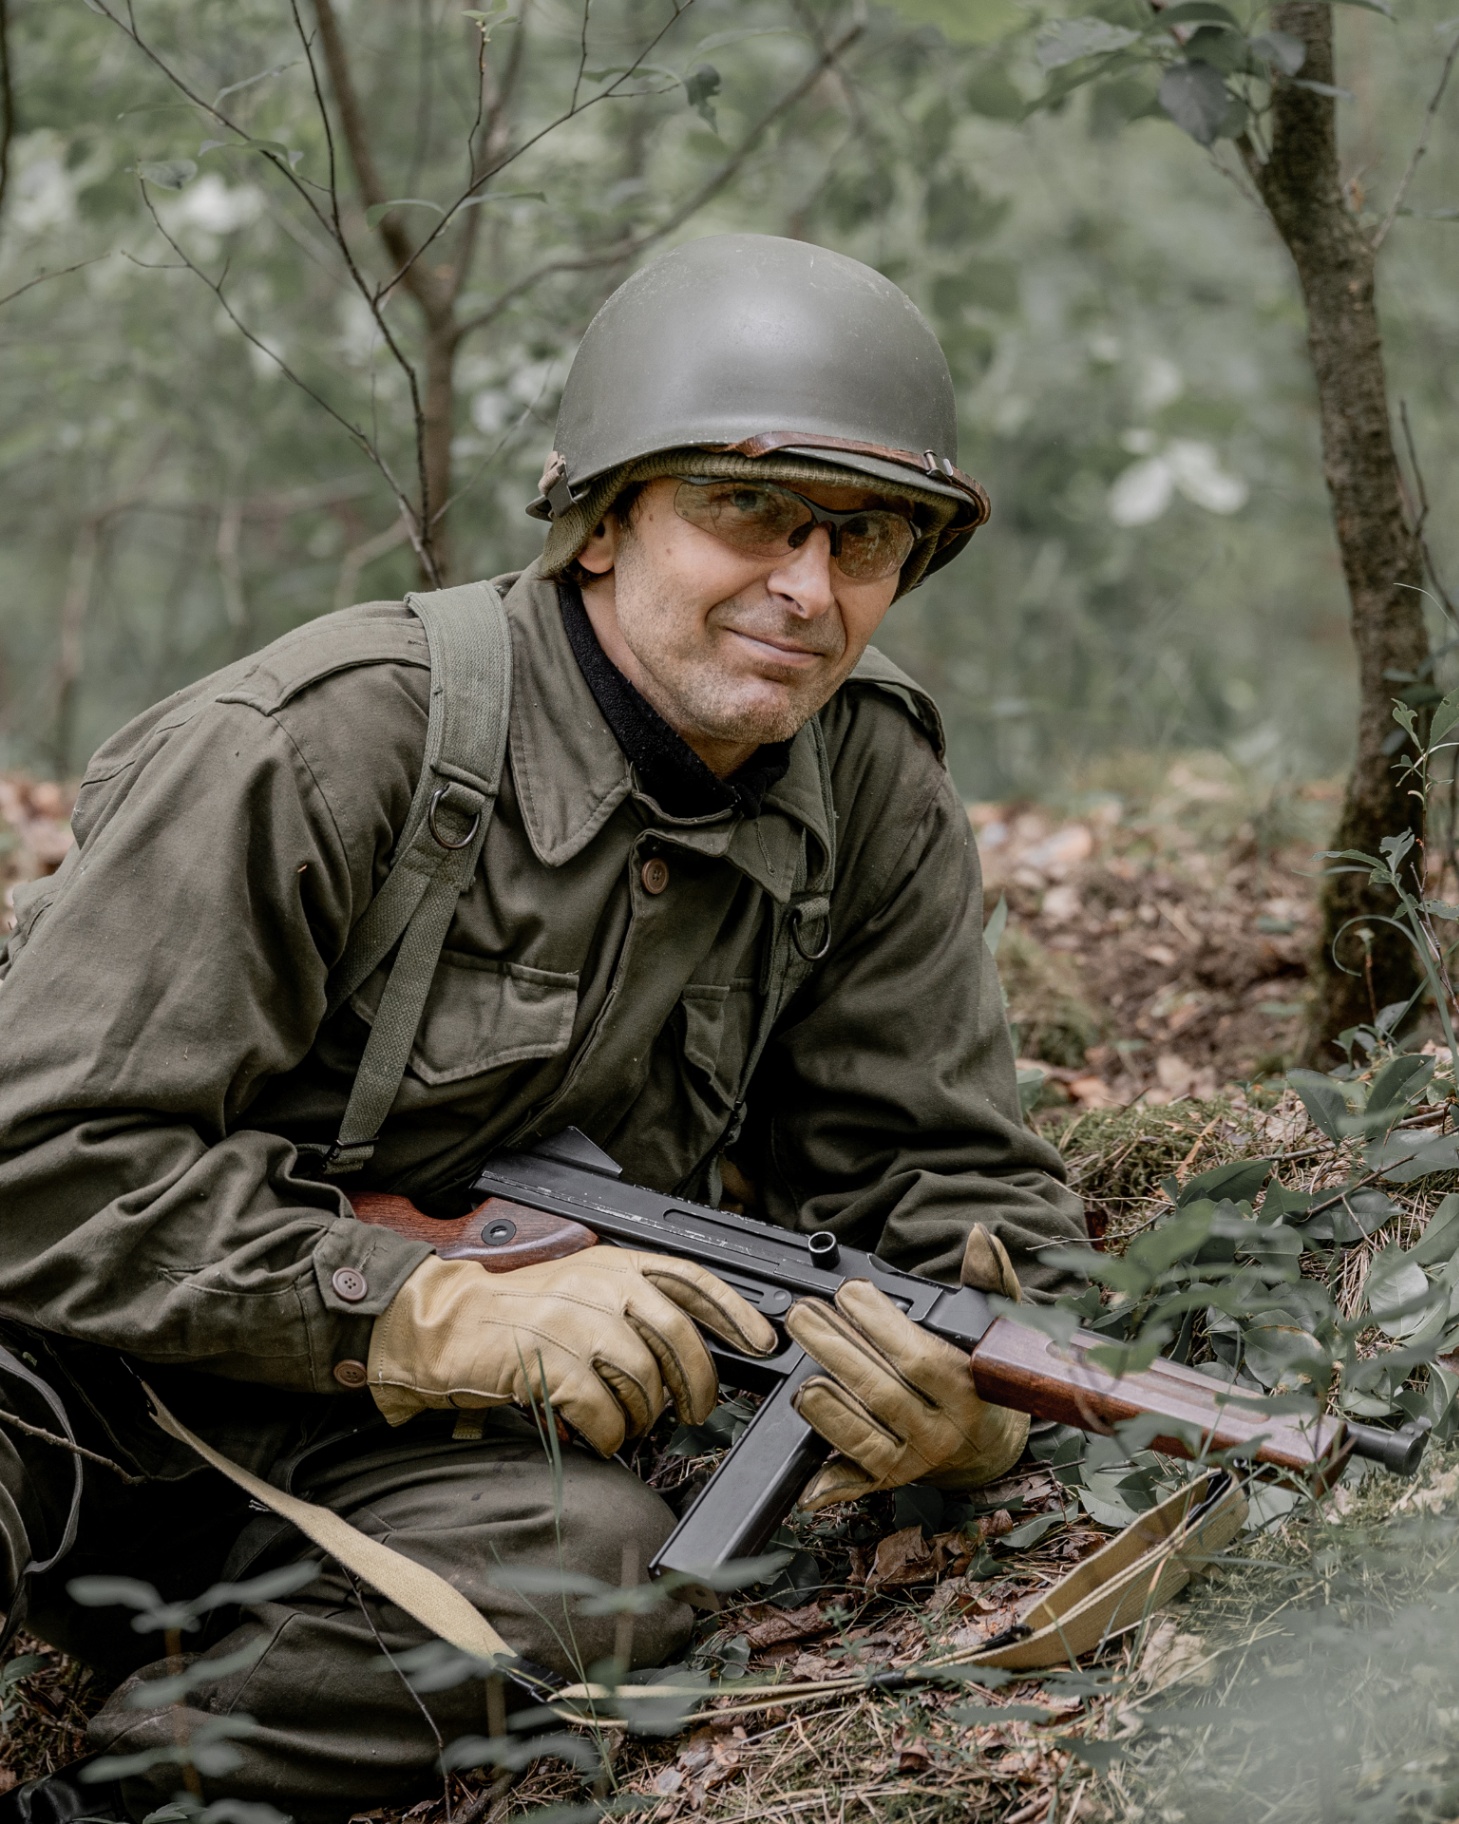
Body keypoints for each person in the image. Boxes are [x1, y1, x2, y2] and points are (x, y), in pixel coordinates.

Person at [0, 233, 1086, 1821]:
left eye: (868, 538)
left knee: (587, 1577)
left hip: (375, 1456)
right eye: (747, 510)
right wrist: (416, 1309)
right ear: (603, 519)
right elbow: (36, 1160)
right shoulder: (328, 745)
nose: (807, 587)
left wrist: (982, 1401)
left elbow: (945, 1175)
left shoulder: (864, 788)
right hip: (73, 1372)